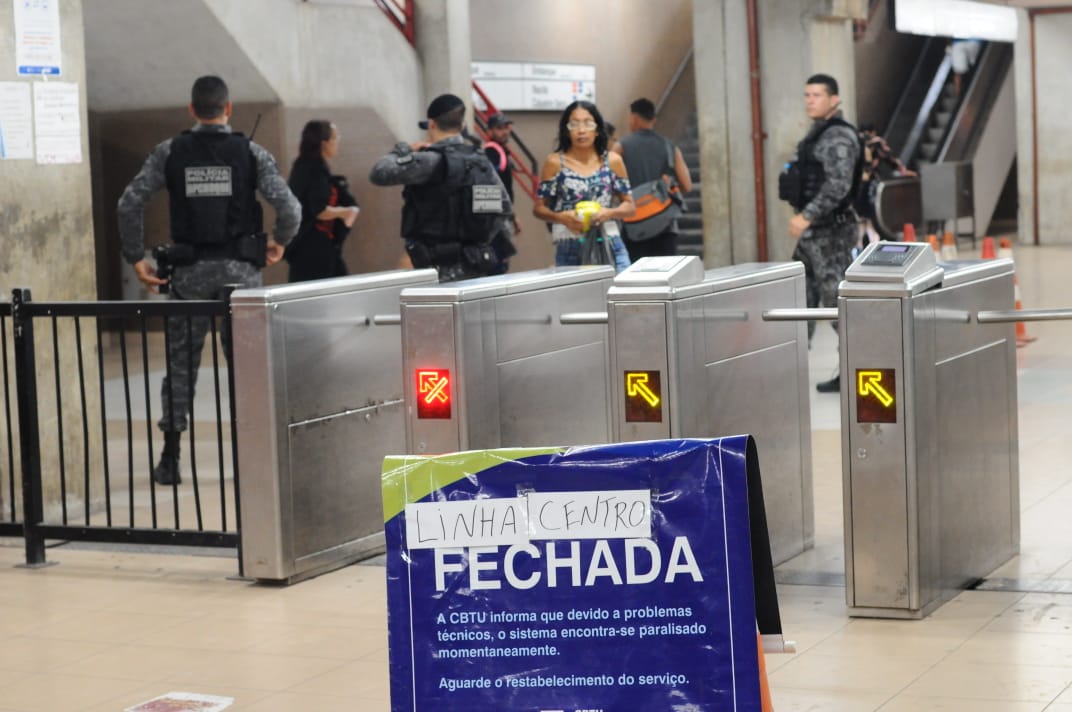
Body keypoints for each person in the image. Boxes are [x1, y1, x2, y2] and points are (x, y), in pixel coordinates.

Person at [117, 75, 301, 485]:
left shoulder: (170, 152)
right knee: (248, 367)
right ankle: (252, 460)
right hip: (241, 275)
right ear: (228, 108)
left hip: (189, 275)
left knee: (181, 364)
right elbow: (290, 208)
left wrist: (136, 258)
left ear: (192, 109)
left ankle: (170, 459)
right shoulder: (252, 153)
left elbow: (129, 202)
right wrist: (279, 243)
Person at [369, 93, 512, 282]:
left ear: (432, 124)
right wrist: (476, 241)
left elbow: (379, 172)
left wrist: (404, 150)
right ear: (462, 127)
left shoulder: (428, 161)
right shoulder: (480, 161)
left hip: (430, 267)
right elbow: (503, 209)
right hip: (473, 264)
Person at [778, 73, 862, 394]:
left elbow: (838, 185)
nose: (810, 100)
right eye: (807, 95)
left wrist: (807, 216)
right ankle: (793, 370)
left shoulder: (838, 136)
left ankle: (857, 371)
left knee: (836, 304)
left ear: (834, 100)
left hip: (832, 232)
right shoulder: (819, 133)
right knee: (802, 299)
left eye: (817, 95)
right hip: (815, 234)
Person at [533, 100, 634, 272]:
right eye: (574, 124)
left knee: (620, 295)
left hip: (609, 241)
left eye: (588, 123)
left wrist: (608, 212)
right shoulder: (555, 162)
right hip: (570, 245)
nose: (581, 130)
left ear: (597, 129)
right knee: (577, 299)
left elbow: (630, 206)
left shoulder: (613, 161)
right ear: (566, 130)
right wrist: (562, 217)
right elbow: (539, 209)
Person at [611, 97, 693, 261]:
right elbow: (686, 185)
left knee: (636, 280)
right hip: (665, 227)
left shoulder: (620, 147)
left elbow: (608, 185)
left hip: (633, 228)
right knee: (665, 278)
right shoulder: (670, 146)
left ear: (633, 119)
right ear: (653, 119)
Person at [285, 120, 359, 282]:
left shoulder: (303, 166)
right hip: (313, 246)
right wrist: (347, 211)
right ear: (324, 143)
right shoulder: (314, 169)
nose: (337, 142)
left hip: (306, 245)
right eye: (335, 138)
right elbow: (319, 210)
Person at [856, 124, 915, 245]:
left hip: (856, 185)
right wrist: (903, 170)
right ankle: (877, 243)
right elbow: (890, 158)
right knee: (873, 217)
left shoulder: (854, 141)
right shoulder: (876, 142)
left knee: (861, 218)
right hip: (870, 184)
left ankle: (861, 245)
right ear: (873, 132)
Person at [483, 112, 521, 274]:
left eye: (506, 127)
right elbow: (489, 185)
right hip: (495, 219)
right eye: (499, 128)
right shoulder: (492, 151)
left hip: (499, 216)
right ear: (490, 131)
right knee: (497, 264)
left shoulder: (501, 151)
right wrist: (493, 221)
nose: (504, 131)